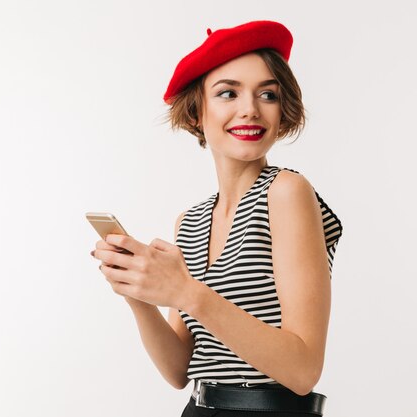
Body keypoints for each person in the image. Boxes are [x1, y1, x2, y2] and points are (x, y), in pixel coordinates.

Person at [90, 20, 343, 416]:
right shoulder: (189, 222)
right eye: (228, 93)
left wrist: (187, 291)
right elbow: (178, 371)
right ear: (196, 113)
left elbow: (303, 369)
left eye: (268, 95)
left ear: (282, 110)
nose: (250, 110)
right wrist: (139, 297)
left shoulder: (287, 192)